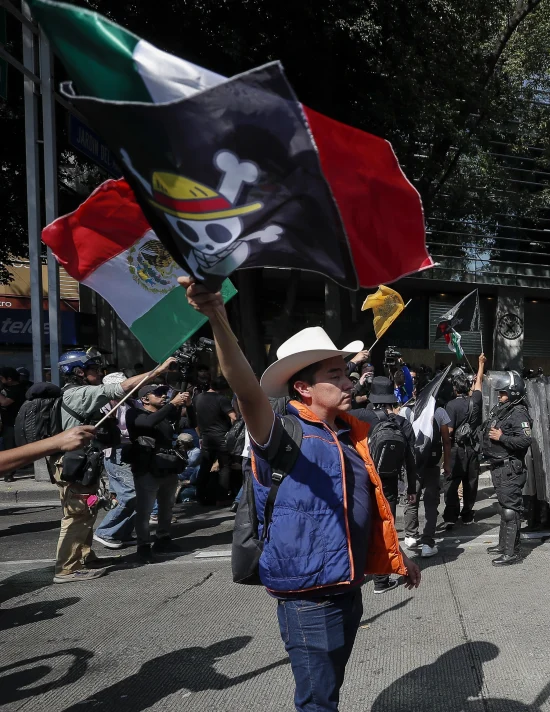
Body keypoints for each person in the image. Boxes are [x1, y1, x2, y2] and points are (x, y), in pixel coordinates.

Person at [181, 276, 419, 712]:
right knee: (317, 701)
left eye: (347, 372)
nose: (349, 382)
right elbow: (247, 390)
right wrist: (217, 319)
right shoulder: (283, 431)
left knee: (328, 689)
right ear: (303, 388)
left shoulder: (350, 434)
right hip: (309, 597)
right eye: (336, 375)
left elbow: (368, 510)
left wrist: (397, 556)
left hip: (348, 588)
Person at [51, 350, 165, 584]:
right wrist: (158, 371)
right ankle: (66, 568)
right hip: (74, 463)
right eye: (93, 369)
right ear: (79, 372)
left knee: (87, 513)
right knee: (75, 516)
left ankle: (84, 556)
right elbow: (116, 389)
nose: (98, 373)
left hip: (83, 463)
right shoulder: (77, 394)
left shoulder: (78, 393)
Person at [352, 376, 419, 594]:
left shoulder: (360, 416)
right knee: (384, 528)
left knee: (359, 527)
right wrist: (411, 489)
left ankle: (356, 572)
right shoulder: (402, 423)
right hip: (388, 485)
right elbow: (411, 459)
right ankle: (381, 579)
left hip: (362, 482)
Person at [125, 383, 191, 563]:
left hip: (167, 466)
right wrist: (172, 404)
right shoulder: (135, 414)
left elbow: (182, 422)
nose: (164, 396)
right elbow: (147, 424)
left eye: (165, 393)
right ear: (145, 399)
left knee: (167, 507)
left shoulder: (164, 414)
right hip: (146, 468)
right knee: (145, 510)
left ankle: (163, 538)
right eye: (159, 393)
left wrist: (184, 403)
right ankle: (143, 546)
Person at [482, 371, 532, 567]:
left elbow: (525, 440)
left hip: (510, 468)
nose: (499, 396)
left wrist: (502, 438)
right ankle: (503, 545)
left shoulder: (519, 412)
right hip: (499, 466)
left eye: (503, 393)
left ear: (512, 393)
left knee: (511, 510)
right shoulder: (505, 409)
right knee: (504, 509)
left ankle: (511, 553)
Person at [403, 385, 451, 558]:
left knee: (411, 498)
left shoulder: (406, 411)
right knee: (431, 504)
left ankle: (410, 535)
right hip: (432, 464)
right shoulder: (439, 412)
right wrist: (447, 463)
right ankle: (428, 542)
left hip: (412, 465)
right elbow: (446, 440)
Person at [93, 373, 138, 550]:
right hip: (116, 452)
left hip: (132, 450)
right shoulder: (105, 405)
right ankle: (105, 531)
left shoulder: (132, 403)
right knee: (130, 493)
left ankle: (124, 532)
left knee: (137, 495)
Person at [443, 354, 486, 527]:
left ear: (455, 389)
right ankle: (467, 514)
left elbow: (450, 431)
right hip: (473, 449)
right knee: (471, 482)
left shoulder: (451, 405)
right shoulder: (476, 400)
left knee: (452, 482)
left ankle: (451, 516)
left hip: (456, 450)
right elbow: (480, 383)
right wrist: (480, 364)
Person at [192, 376, 238, 505]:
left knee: (205, 466)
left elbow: (195, 417)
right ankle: (222, 497)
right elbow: (233, 417)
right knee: (225, 467)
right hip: (222, 436)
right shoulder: (221, 399)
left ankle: (200, 496)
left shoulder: (198, 397)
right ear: (224, 388)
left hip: (206, 437)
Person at [0, 366, 28, 482]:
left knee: (9, 447)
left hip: (13, 423)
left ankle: (9, 473)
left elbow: (5, 402)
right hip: (5, 422)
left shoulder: (18, 389)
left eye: (1, 378)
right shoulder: (5, 387)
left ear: (10, 379)